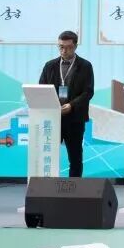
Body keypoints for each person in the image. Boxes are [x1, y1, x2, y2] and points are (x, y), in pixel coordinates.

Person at [37, 30, 94, 178]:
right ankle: (47, 186)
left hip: (75, 118)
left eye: (68, 47)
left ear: (75, 46)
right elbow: (42, 88)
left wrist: (71, 105)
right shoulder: (50, 65)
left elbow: (88, 92)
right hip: (53, 118)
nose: (64, 50)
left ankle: (74, 187)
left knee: (75, 157)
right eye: (61, 47)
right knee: (48, 154)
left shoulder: (85, 66)